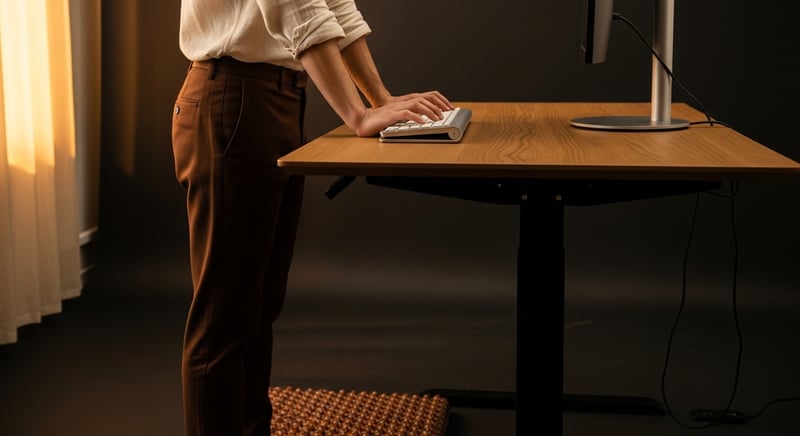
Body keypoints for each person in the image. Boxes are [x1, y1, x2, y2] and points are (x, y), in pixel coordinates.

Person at [170, 1, 453, 435]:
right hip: (234, 96)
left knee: (258, 306)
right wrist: (358, 113)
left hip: (271, 98)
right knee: (223, 317)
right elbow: (294, 4)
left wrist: (380, 99)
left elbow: (332, 5)